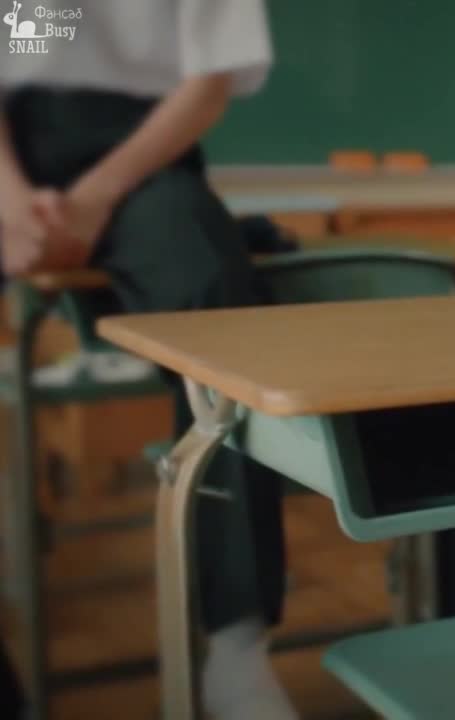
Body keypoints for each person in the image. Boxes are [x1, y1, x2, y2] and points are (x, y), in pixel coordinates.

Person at [0, 1, 296, 717]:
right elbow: (21, 47)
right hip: (10, 154)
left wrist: (94, 197)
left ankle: (236, 645)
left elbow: (208, 82)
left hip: (143, 152)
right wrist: (10, 204)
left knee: (218, 303)